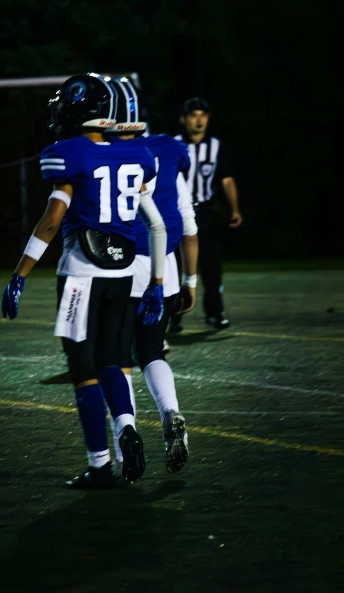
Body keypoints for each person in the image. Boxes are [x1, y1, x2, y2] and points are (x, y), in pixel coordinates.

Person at [1, 73, 167, 489]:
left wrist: (19, 274)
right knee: (114, 359)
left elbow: (53, 220)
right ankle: (127, 425)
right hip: (125, 273)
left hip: (81, 274)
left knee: (83, 369)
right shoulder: (139, 154)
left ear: (79, 109)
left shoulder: (68, 152)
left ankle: (99, 464)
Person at [108, 77, 198, 474]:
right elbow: (187, 221)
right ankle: (171, 412)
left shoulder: (99, 150)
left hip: (120, 263)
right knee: (152, 351)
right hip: (167, 267)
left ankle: (124, 435)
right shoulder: (171, 148)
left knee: (116, 357)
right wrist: (191, 281)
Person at [173, 97, 243, 330]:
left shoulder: (215, 146)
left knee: (211, 265)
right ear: (183, 119)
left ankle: (215, 311)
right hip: (175, 212)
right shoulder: (173, 145)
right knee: (173, 266)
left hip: (203, 211)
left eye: (203, 114)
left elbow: (226, 178)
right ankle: (173, 314)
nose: (199, 119)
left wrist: (234, 209)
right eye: (194, 115)